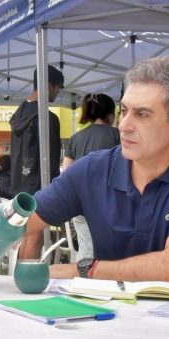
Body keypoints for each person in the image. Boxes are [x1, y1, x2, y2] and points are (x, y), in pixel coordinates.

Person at [0, 56, 169, 289]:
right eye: (124, 110)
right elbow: (26, 222)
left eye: (142, 114)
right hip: (108, 318)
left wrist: (82, 270)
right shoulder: (92, 169)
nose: (124, 125)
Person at [62, 93, 120, 260]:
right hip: (111, 202)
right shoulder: (117, 136)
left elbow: (66, 173)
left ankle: (82, 281)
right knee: (111, 253)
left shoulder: (75, 139)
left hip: (80, 202)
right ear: (110, 114)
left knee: (86, 248)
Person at [9, 65, 64, 196]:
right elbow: (52, 161)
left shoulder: (19, 114)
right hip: (39, 193)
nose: (58, 92)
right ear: (49, 86)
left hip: (17, 189)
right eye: (59, 87)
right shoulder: (47, 118)